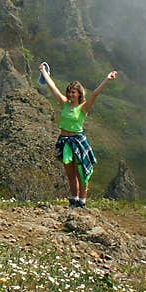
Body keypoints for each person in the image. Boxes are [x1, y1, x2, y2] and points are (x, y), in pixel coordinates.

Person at [39, 64, 118, 208]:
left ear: (79, 94)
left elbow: (95, 94)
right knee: (70, 174)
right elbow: (53, 87)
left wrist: (107, 79)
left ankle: (82, 201)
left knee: (81, 173)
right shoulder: (64, 104)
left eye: (73, 92)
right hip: (64, 141)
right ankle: (74, 199)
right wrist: (44, 72)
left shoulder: (83, 108)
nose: (70, 95)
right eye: (69, 92)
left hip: (78, 141)